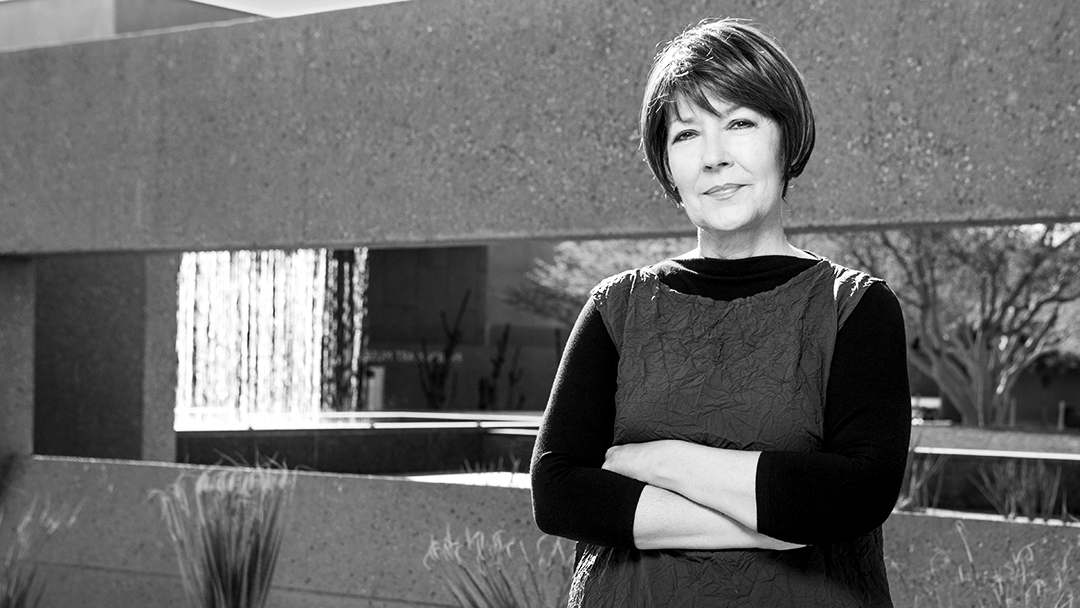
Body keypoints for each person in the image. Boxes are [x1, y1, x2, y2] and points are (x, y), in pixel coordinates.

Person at [529, 18, 911, 607]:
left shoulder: (854, 308)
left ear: (787, 140)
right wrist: (776, 523)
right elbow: (559, 494)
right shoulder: (617, 309)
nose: (714, 157)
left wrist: (661, 460)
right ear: (667, 167)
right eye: (686, 135)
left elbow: (855, 495)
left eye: (739, 123)